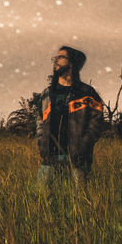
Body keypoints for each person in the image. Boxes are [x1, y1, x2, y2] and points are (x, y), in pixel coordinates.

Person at [36, 45, 105, 185]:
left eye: (61, 57)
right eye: (54, 58)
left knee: (79, 202)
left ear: (72, 62)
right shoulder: (47, 94)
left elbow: (97, 124)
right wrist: (42, 144)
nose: (55, 60)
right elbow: (39, 122)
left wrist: (83, 146)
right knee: (40, 200)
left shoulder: (87, 93)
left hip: (78, 160)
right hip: (50, 158)